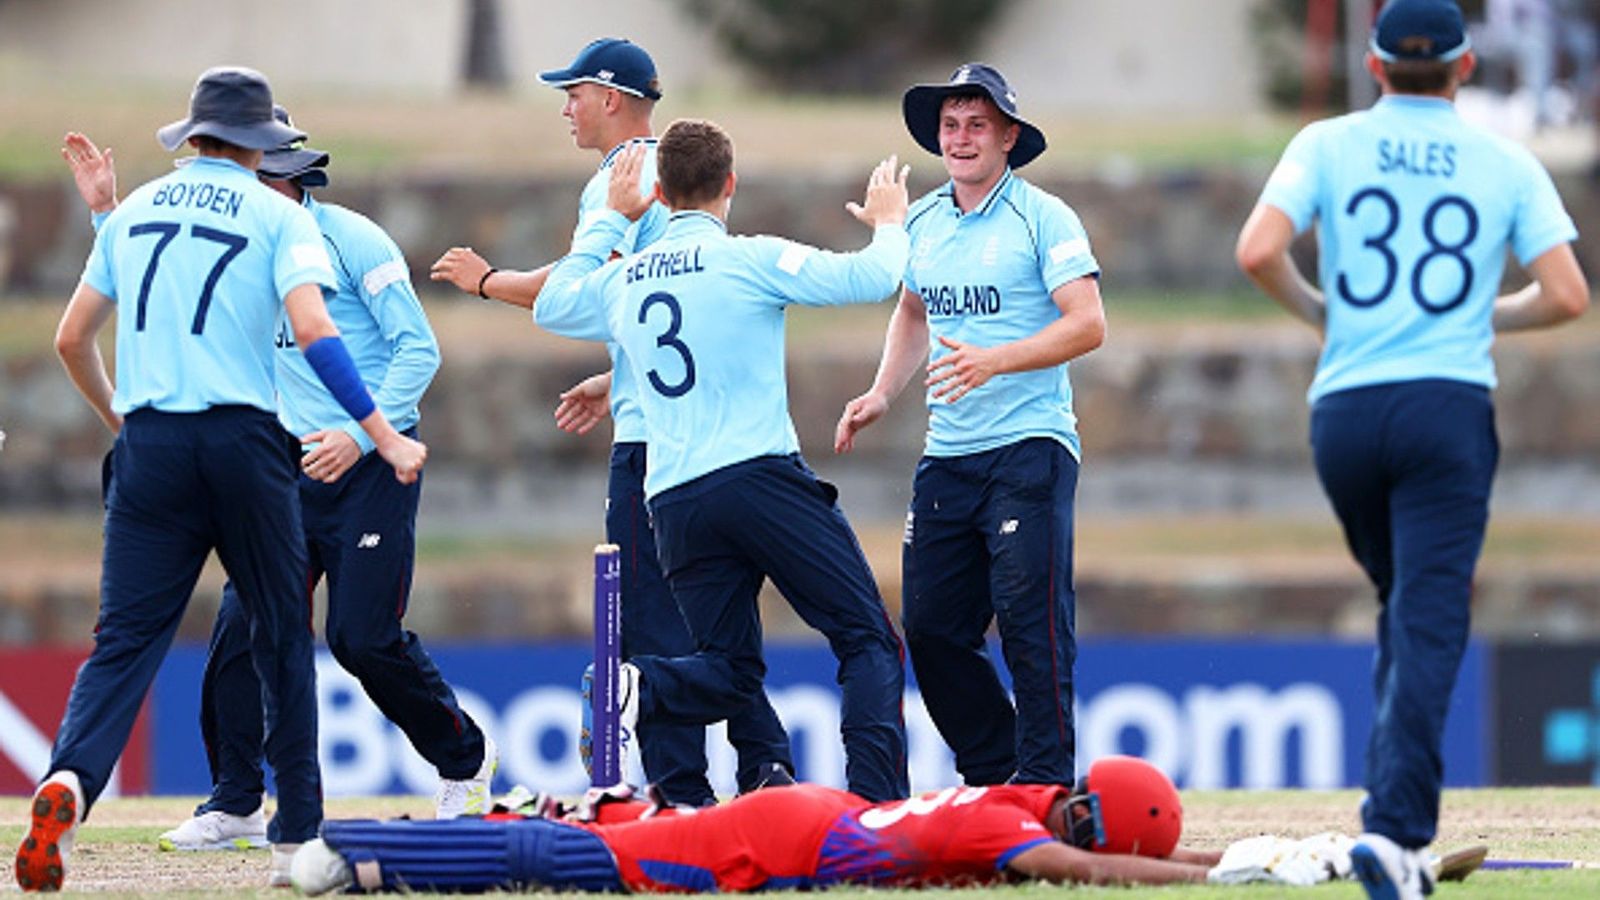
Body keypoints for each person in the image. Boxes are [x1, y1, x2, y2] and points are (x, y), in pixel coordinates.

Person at [16, 66, 428, 893]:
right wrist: (381, 433)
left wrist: (122, 423)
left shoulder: (131, 213)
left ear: (192, 138)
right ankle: (295, 844)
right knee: (279, 634)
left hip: (152, 447)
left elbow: (71, 339)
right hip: (243, 443)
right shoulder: (280, 214)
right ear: (260, 147)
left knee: (123, 641)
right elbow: (314, 329)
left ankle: (68, 781)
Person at [60, 108, 496, 850]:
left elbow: (417, 353)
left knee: (363, 639)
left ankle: (466, 762)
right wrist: (106, 212)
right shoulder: (246, 238)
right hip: (279, 471)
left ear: (281, 176)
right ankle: (235, 802)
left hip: (370, 469)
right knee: (240, 633)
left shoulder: (353, 239)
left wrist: (362, 440)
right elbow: (161, 286)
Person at [1235, 2, 1590, 898]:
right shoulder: (1506, 162)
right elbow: (1567, 295)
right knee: (1429, 613)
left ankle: (1386, 810)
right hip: (1445, 407)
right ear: (1466, 68)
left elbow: (1258, 250)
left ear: (1376, 65)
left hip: (1346, 413)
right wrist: (1484, 316)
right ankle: (1395, 834)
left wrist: (1325, 313)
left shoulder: (1328, 142)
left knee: (1403, 603)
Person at [429, 37, 794, 804]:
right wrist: (615, 372)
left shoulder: (620, 181)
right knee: (720, 625)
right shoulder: (679, 169)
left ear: (613, 97)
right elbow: (671, 302)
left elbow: (574, 290)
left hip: (653, 448)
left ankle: (681, 794)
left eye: (574, 93)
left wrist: (487, 281)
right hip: (712, 434)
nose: (566, 107)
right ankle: (766, 768)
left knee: (651, 632)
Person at [532, 120, 912, 803]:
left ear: (659, 193)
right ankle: (875, 811)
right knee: (867, 640)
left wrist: (612, 223)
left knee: (730, 670)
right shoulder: (749, 258)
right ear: (729, 184)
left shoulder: (623, 280)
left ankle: (635, 687)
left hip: (674, 501)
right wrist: (890, 222)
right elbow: (876, 276)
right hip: (759, 480)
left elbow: (554, 303)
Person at [833, 64, 1105, 788]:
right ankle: (994, 774)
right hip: (948, 455)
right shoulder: (920, 221)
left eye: (976, 124)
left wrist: (997, 361)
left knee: (1031, 624)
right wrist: (882, 392)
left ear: (1009, 137)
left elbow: (1088, 324)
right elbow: (914, 311)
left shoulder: (1043, 217)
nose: (960, 138)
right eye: (950, 125)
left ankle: (1044, 785)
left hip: (1030, 447)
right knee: (929, 629)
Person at [288, 756, 1224, 894]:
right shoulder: (1009, 835)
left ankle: (367, 845)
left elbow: (1095, 847)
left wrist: (1228, 855)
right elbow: (1087, 872)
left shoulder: (1019, 795)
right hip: (785, 840)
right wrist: (1204, 878)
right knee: (584, 861)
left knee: (596, 843)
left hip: (809, 816)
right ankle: (354, 845)